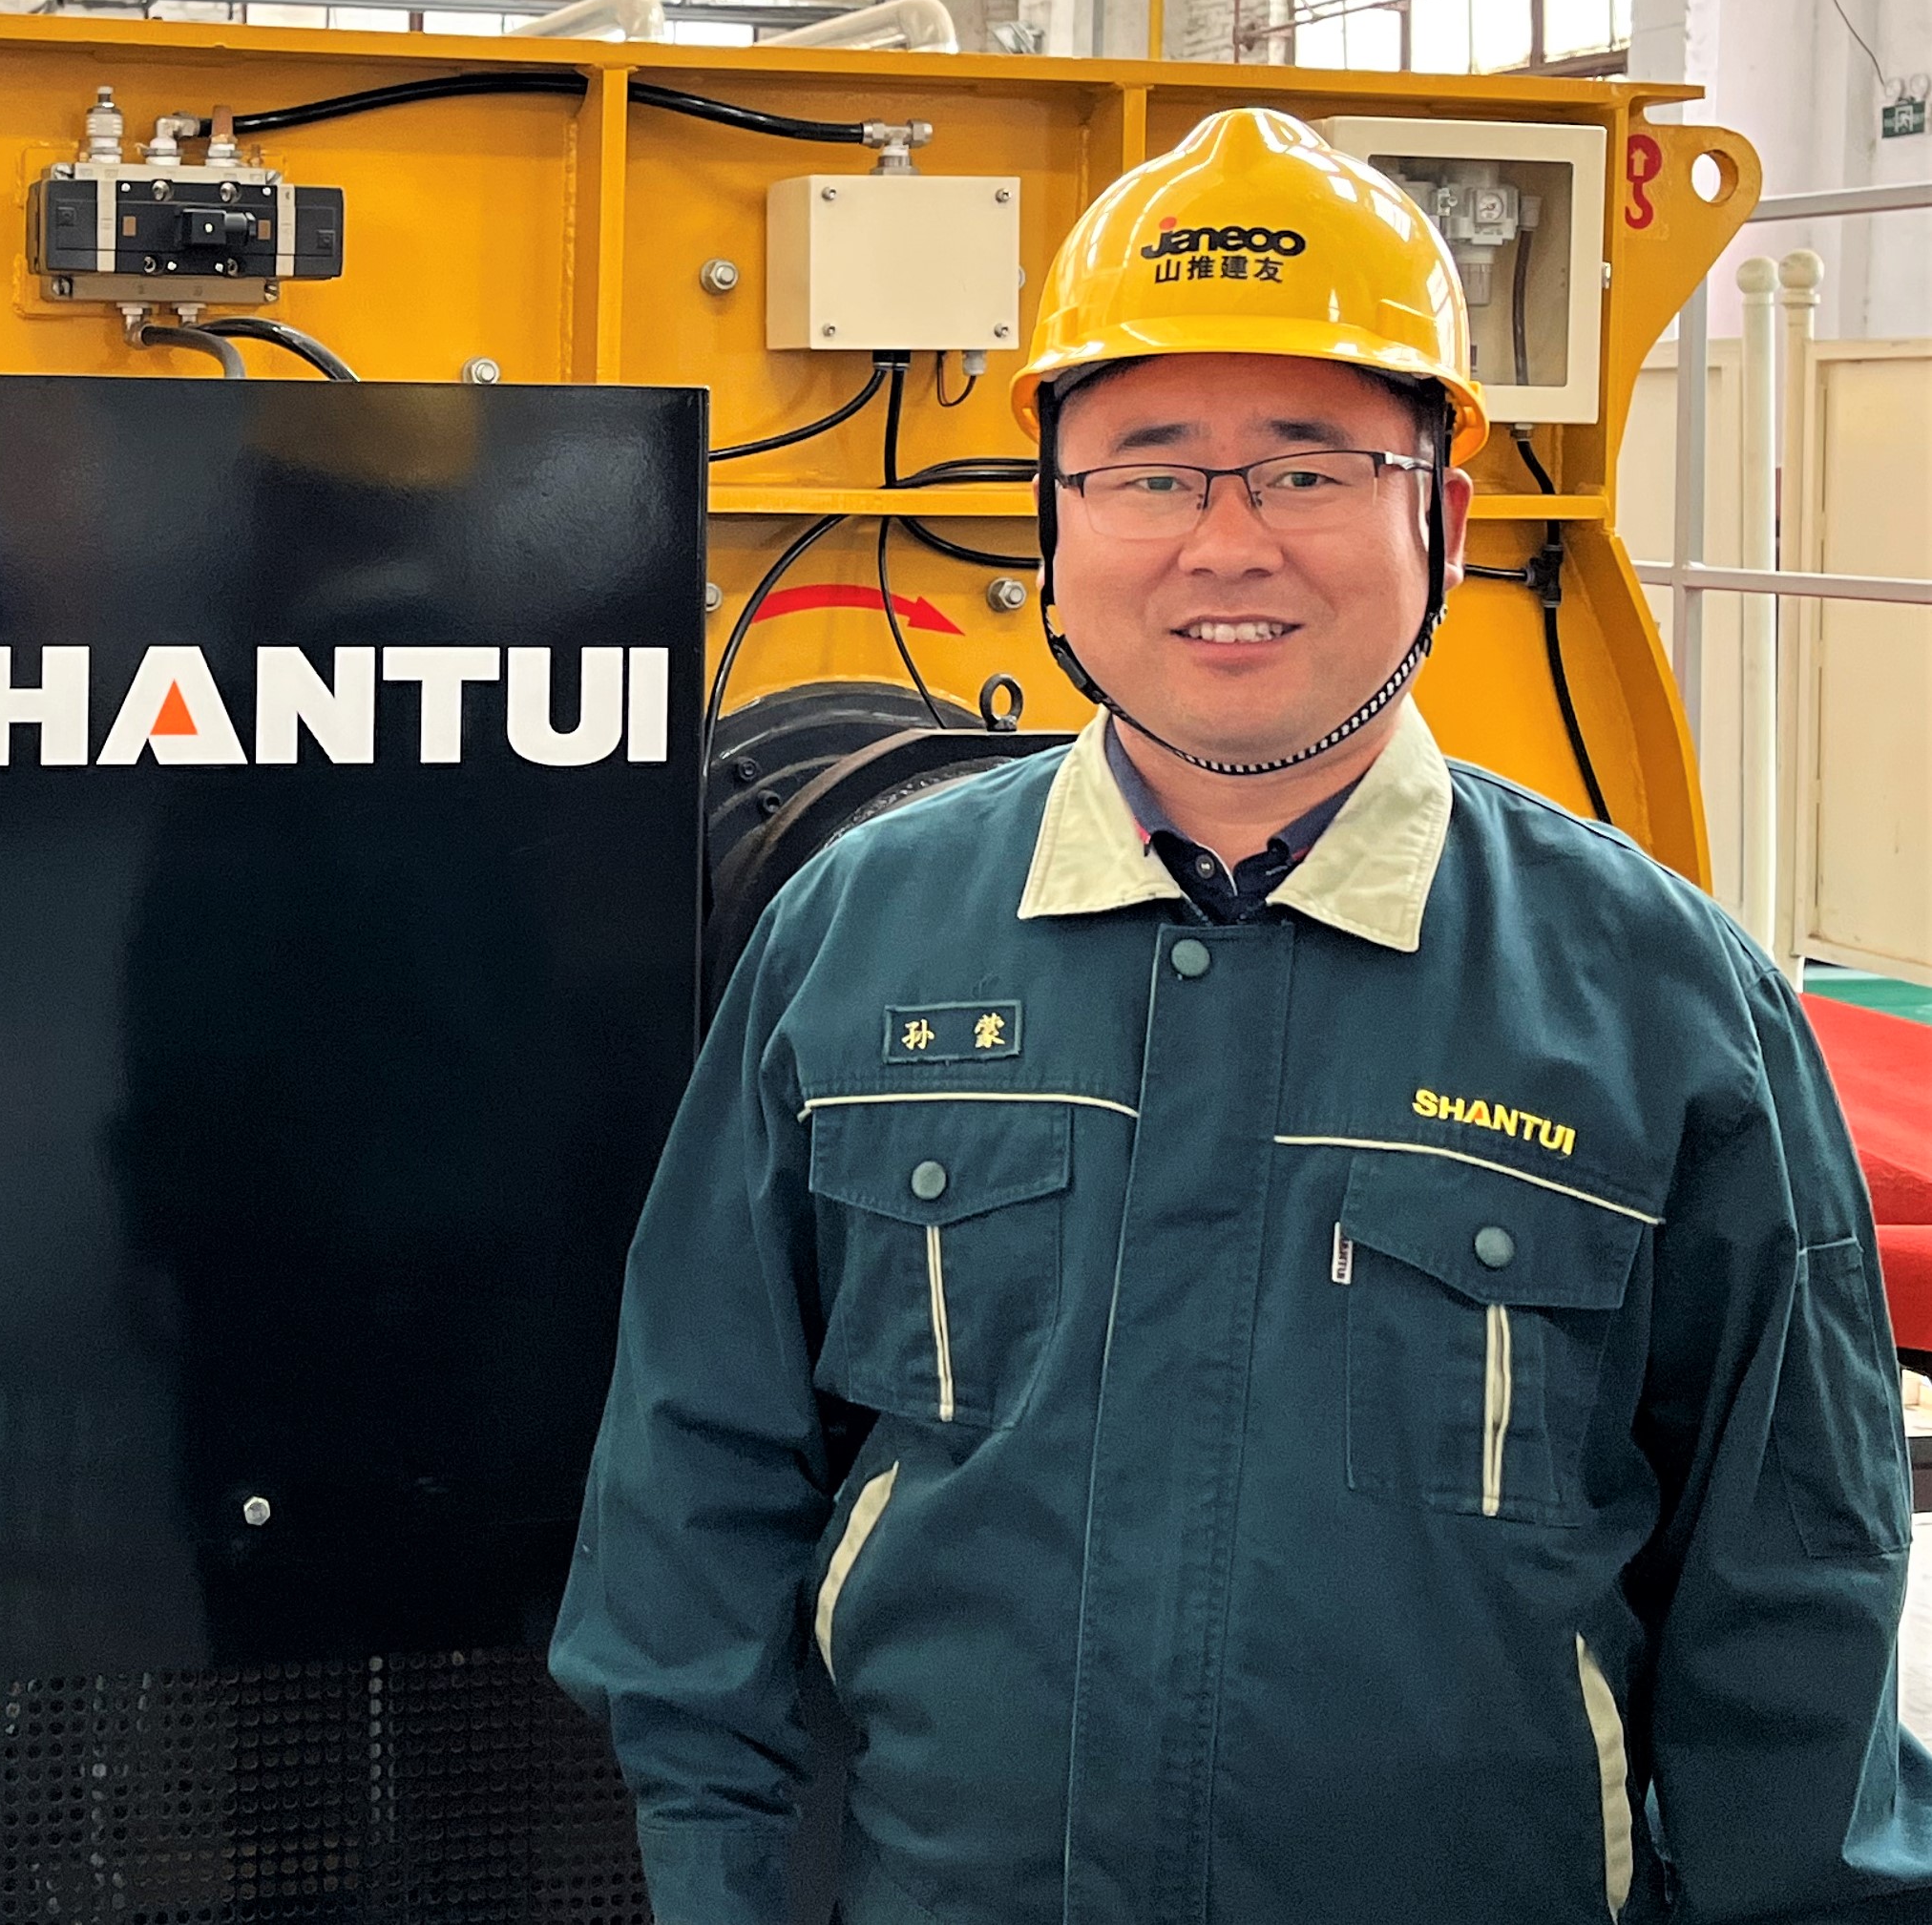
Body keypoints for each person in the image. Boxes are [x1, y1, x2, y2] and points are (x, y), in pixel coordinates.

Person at [550, 106, 1932, 1925]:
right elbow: (693, 1480)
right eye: (1147, 472)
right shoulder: (856, 942)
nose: (1223, 543)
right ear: (1052, 521)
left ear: (1439, 518)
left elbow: (1794, 1607)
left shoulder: (1664, 1002)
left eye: (1304, 468)